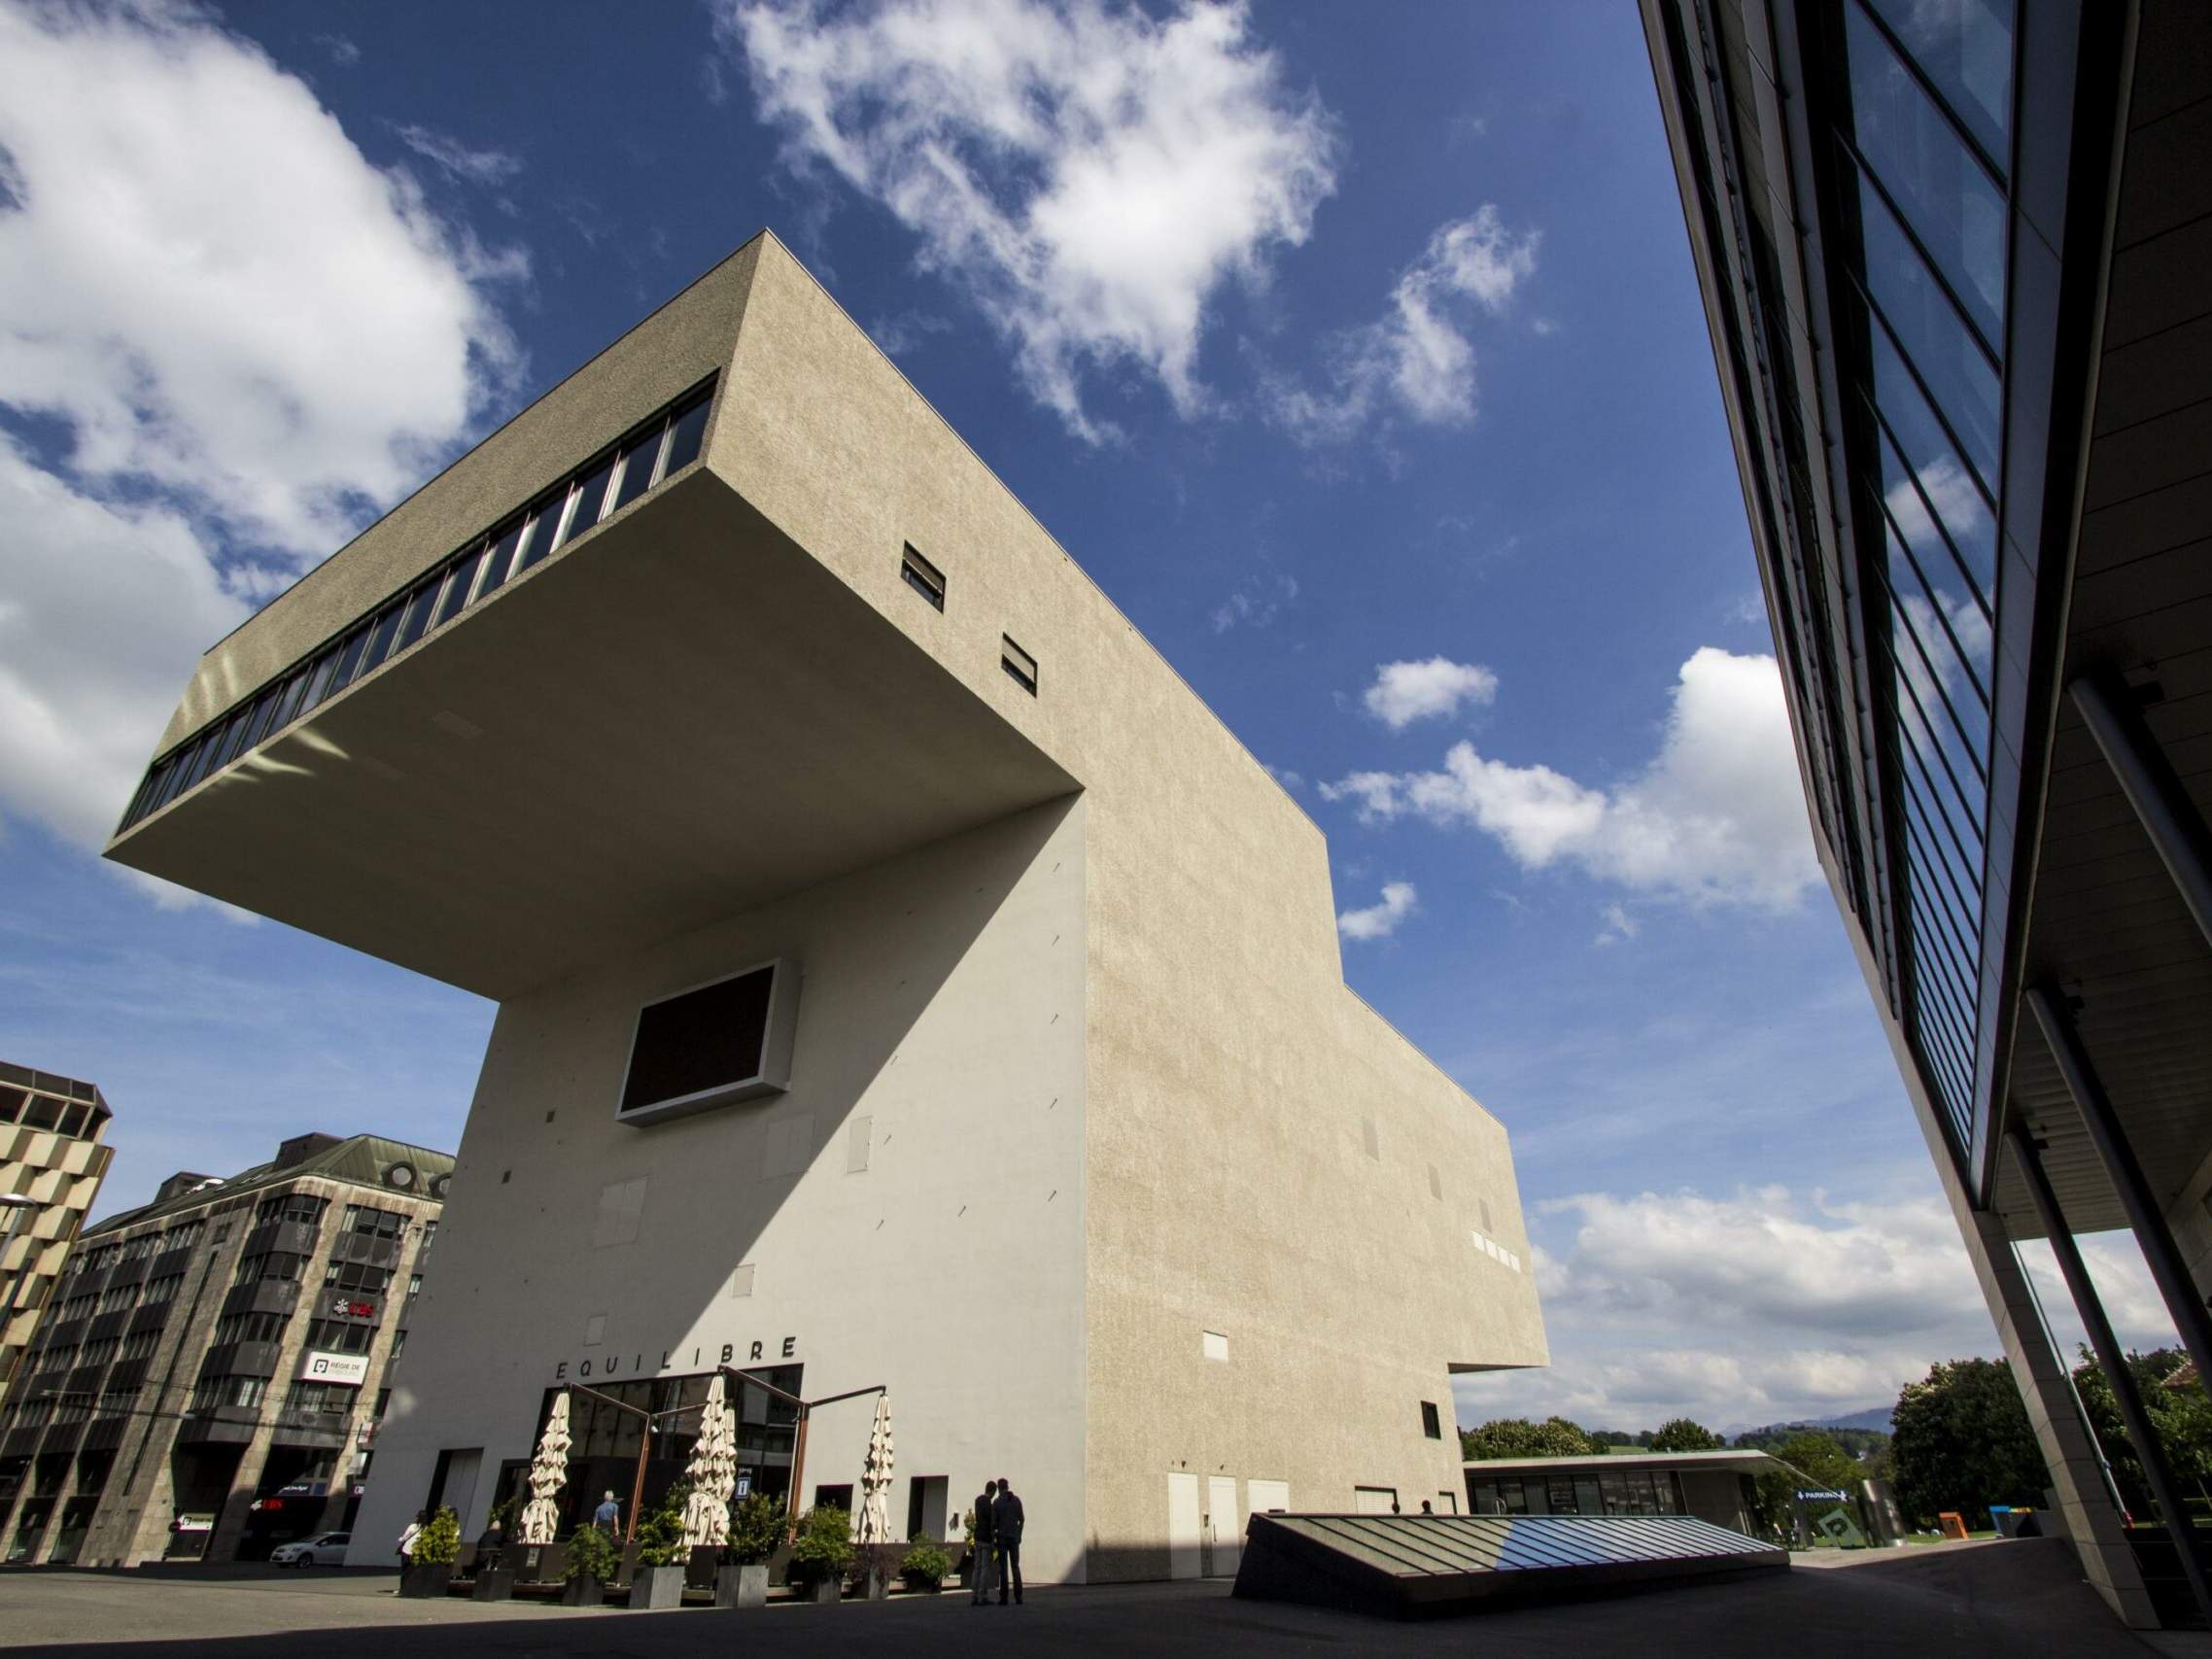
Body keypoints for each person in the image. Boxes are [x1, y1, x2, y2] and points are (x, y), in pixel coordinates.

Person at [990, 1475, 1024, 1606]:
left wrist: (994, 1537)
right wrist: (1019, 1534)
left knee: (1003, 1568)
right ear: (1008, 1487)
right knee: (1015, 1566)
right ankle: (1018, 1596)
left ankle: (1004, 1597)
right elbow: (1022, 1519)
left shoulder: (997, 1503)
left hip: (1002, 1539)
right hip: (1014, 1538)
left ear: (999, 1488)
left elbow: (993, 1524)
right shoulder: (1016, 1501)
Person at [968, 1479, 997, 1606]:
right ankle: (982, 1595)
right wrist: (993, 1536)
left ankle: (974, 1595)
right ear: (993, 1491)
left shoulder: (978, 1501)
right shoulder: (988, 1504)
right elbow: (991, 1522)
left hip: (977, 1536)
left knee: (977, 1567)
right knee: (985, 1568)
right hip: (986, 1537)